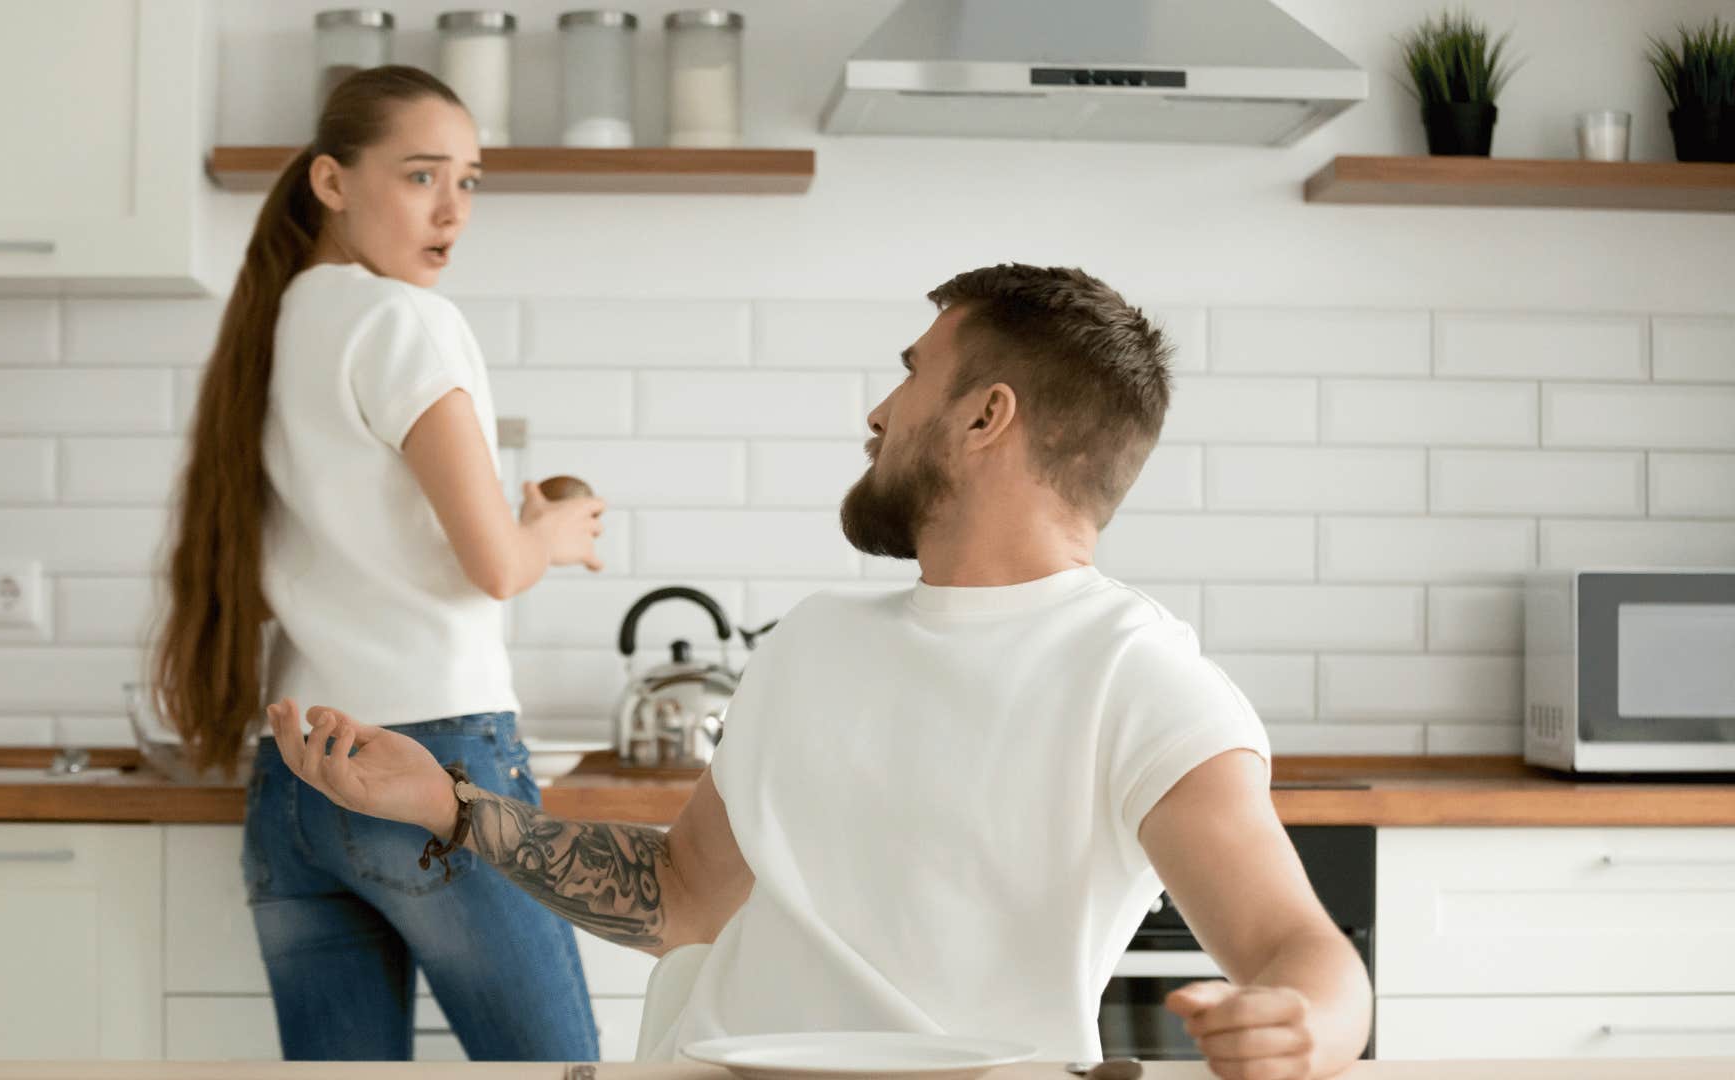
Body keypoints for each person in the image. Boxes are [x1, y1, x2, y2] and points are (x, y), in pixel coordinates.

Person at [264, 264, 1375, 1078]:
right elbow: (680, 895)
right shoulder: (814, 641)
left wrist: (1310, 1025)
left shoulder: (1138, 676)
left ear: (988, 417)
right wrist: (451, 805)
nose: (878, 413)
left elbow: (1298, 947)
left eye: (911, 379)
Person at [152, 66, 605, 1063]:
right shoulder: (405, 321)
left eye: (471, 181)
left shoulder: (271, 333)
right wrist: (561, 529)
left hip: (296, 780)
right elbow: (495, 563)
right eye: (420, 176)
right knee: (554, 1072)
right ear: (330, 181)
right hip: (432, 765)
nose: (454, 210)